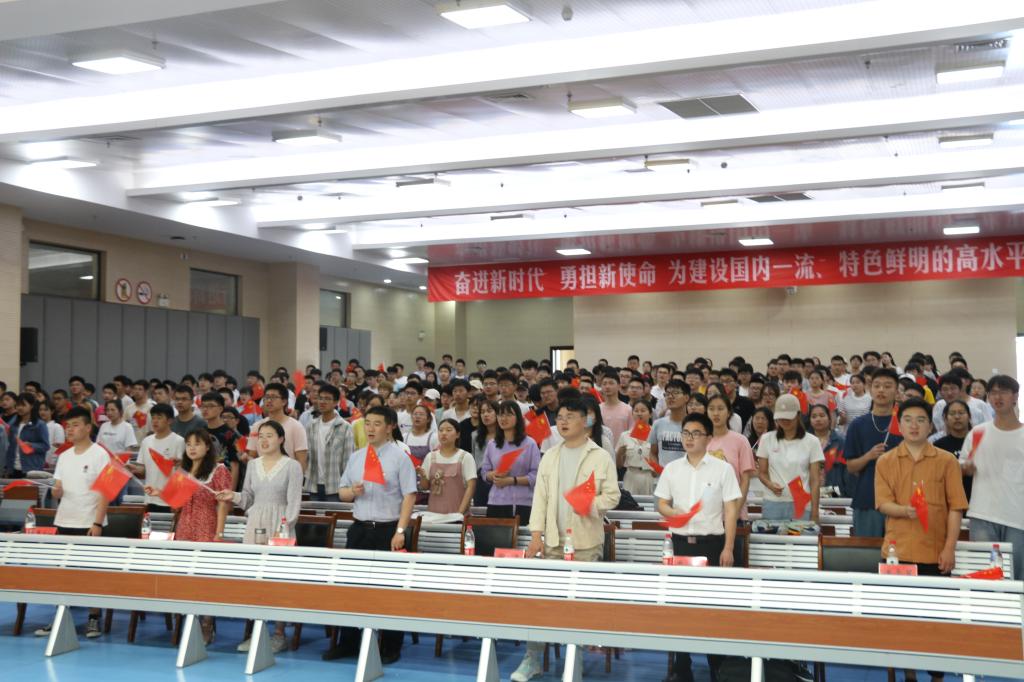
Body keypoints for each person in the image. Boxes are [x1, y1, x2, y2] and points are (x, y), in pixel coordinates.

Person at [513, 399, 619, 682]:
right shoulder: (550, 455)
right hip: (551, 542)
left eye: (570, 416)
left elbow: (613, 496)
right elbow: (540, 499)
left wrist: (589, 504)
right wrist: (536, 536)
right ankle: (532, 659)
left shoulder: (599, 456)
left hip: (585, 543)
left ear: (586, 421)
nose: (562, 421)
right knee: (541, 602)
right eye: (559, 417)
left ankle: (575, 661)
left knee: (577, 606)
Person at [325, 406, 417, 665]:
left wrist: (401, 531)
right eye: (368, 423)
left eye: (377, 423)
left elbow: (410, 496)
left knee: (390, 590)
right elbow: (342, 493)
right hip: (359, 529)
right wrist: (353, 492)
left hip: (388, 530)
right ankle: (349, 642)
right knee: (352, 588)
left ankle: (390, 645)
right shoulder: (357, 457)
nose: (371, 428)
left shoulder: (400, 458)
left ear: (389, 427)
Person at [656, 412, 742, 682]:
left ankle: (717, 666)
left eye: (695, 433)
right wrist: (674, 512)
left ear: (708, 438)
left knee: (712, 610)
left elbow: (731, 511)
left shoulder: (722, 469)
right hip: (680, 545)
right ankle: (682, 668)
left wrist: (728, 547)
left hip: (712, 545)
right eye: (685, 433)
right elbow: (661, 503)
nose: (689, 438)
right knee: (679, 610)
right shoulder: (672, 469)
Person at [217, 420, 303, 653]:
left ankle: (279, 634)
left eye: (270, 436)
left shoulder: (292, 466)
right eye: (260, 436)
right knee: (255, 580)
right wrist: (232, 496)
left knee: (279, 581)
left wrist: (283, 530)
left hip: (280, 527)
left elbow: (294, 504)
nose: (264, 440)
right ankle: (257, 632)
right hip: (255, 525)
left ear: (281, 439)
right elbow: (247, 498)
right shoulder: (253, 465)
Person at [876, 398, 967, 578]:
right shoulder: (885, 461)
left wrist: (949, 548)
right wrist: (904, 511)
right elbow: (883, 504)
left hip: (935, 554)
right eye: (908, 420)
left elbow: (956, 508)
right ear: (899, 426)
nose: (914, 425)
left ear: (930, 426)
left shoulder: (948, 461)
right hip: (896, 553)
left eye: (921, 420)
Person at [39, 406, 109, 638]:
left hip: (89, 522)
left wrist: (97, 523)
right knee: (63, 572)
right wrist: (56, 491)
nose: (70, 429)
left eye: (75, 425)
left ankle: (93, 618)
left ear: (88, 427)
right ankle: (61, 616)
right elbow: (58, 489)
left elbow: (105, 492)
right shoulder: (64, 456)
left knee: (92, 573)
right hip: (64, 519)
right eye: (67, 426)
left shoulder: (100, 454)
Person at [960, 375, 1024, 582]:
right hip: (982, 514)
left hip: (1018, 517)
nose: (997, 397)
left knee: (1016, 579)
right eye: (993, 393)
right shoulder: (978, 433)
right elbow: (962, 467)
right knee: (986, 579)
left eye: (1003, 392)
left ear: (1015, 396)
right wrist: (966, 469)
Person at [844, 368, 902, 537]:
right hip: (867, 499)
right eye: (877, 386)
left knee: (900, 551)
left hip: (900, 501)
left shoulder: (905, 424)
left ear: (896, 391)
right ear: (870, 389)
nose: (881, 390)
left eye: (887, 386)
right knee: (867, 551)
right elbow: (851, 467)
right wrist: (868, 456)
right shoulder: (857, 425)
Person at [756, 394, 823, 522]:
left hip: (801, 502)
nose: (784, 421)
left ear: (798, 415)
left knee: (800, 535)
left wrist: (815, 512)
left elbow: (815, 480)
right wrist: (770, 484)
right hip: (773, 502)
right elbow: (762, 472)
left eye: (788, 418)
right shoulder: (767, 439)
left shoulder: (812, 441)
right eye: (781, 418)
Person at [481, 401, 540, 522]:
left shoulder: (530, 443)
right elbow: (484, 472)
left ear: (518, 417)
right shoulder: (492, 444)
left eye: (508, 414)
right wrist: (493, 474)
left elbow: (536, 475)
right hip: (495, 501)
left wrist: (511, 480)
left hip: (522, 503)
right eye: (501, 415)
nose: (503, 418)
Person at [705, 393, 756, 522]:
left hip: (734, 513)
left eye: (720, 408)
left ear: (728, 413)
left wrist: (734, 511)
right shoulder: (700, 440)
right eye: (711, 409)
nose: (716, 413)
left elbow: (745, 480)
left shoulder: (741, 441)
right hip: (706, 515)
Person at [304, 383, 355, 503]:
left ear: (336, 402)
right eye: (320, 398)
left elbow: (347, 459)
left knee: (334, 514)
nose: (322, 402)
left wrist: (346, 486)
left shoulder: (345, 427)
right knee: (313, 515)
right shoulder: (311, 426)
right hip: (314, 484)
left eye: (327, 399)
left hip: (335, 486)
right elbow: (307, 455)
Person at [246, 382, 308, 474]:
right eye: (266, 397)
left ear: (284, 401)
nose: (269, 400)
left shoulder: (296, 427)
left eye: (274, 397)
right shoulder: (257, 426)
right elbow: (252, 455)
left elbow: (301, 461)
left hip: (287, 477)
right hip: (262, 477)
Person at [419, 418, 477, 514]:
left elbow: (471, 486)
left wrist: (460, 513)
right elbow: (424, 487)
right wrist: (423, 476)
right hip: (433, 514)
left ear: (457, 434)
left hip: (457, 514)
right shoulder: (430, 456)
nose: (444, 433)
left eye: (448, 430)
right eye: (441, 430)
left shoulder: (465, 457)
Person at [932, 400, 972, 500]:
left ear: (969, 416)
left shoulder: (978, 442)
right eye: (952, 413)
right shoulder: (938, 446)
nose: (957, 417)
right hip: (949, 499)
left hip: (977, 499)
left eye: (961, 413)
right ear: (945, 419)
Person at [618, 399, 657, 495]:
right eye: (636, 411)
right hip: (631, 475)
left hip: (649, 476)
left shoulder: (655, 434)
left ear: (650, 414)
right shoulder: (625, 435)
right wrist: (619, 454)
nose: (639, 414)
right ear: (632, 414)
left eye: (643, 411)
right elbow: (619, 465)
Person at [648, 380, 690, 469]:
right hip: (664, 475)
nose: (670, 397)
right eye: (667, 394)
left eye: (676, 393)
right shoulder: (658, 424)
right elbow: (652, 453)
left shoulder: (694, 425)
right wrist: (657, 469)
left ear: (686, 397)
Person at [6, 393, 50, 477]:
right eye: (18, 405)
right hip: (13, 468)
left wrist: (31, 445)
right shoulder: (13, 425)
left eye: (23, 405)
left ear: (31, 406)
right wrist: (7, 468)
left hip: (31, 467)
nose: (20, 408)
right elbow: (9, 447)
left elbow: (45, 446)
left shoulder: (39, 424)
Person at [808, 403, 848, 495]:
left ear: (829, 419)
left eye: (822, 415)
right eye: (814, 417)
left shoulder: (840, 442)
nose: (818, 419)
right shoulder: (805, 442)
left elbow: (846, 470)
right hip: (810, 492)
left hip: (836, 493)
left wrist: (846, 493)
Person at [599, 371, 632, 446]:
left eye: (611, 383)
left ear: (619, 386)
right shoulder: (598, 409)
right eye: (604, 384)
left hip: (623, 450)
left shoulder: (628, 409)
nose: (607, 386)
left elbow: (632, 434)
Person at [405, 404, 439, 468]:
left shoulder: (434, 437)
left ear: (428, 419)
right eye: (415, 414)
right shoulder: (404, 437)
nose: (417, 416)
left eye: (421, 414)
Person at [39, 400, 65, 470]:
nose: (42, 412)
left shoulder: (57, 427)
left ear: (52, 411)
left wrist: (51, 463)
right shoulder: (36, 426)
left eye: (45, 410)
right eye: (40, 410)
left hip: (51, 466)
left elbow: (58, 448)